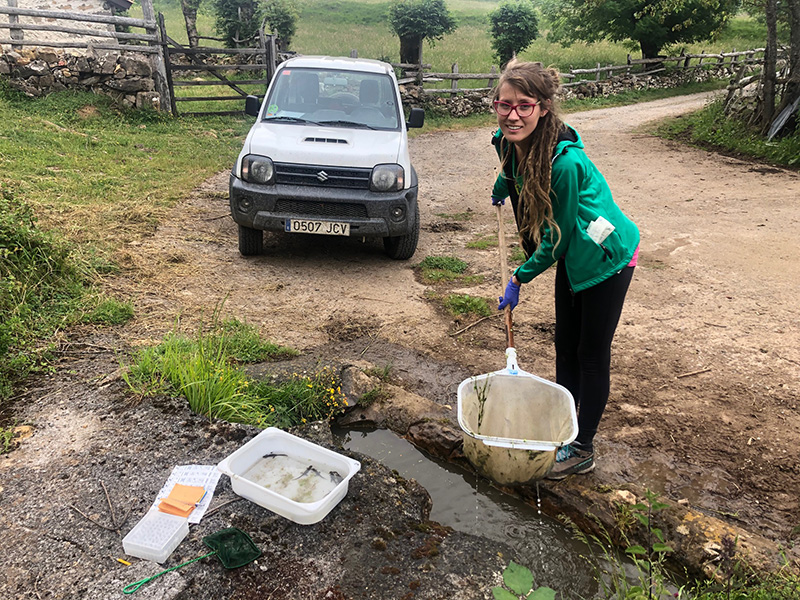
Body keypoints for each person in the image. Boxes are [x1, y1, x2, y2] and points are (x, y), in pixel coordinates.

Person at [490, 59, 640, 480]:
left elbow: (556, 240)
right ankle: (563, 427)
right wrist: (504, 186)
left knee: (590, 355)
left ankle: (583, 447)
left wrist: (519, 276)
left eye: (524, 105)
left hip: (605, 259)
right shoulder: (507, 142)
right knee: (563, 345)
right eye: (505, 104)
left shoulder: (564, 164)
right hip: (575, 260)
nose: (513, 114)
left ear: (543, 107)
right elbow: (511, 169)